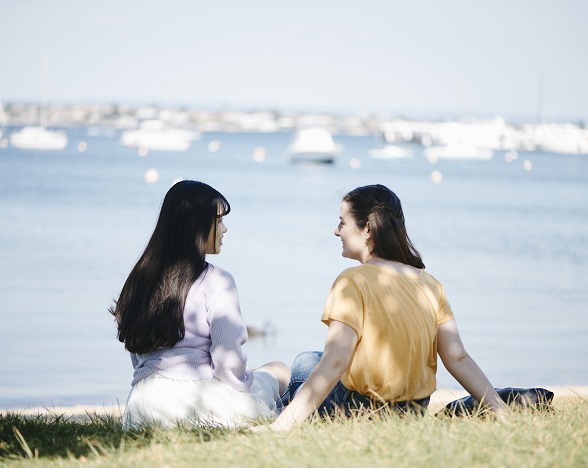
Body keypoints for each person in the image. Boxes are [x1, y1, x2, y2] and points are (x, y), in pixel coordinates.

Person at [254, 184, 507, 431]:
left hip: (359, 411)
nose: (336, 230)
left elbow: (335, 361)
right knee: (312, 362)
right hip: (412, 412)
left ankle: (283, 410)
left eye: (342, 222)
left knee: (304, 364)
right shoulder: (430, 284)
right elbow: (458, 357)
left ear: (367, 230)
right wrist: (500, 410)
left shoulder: (352, 281)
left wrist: (280, 428)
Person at [111, 180, 290, 429]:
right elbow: (229, 365)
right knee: (278, 370)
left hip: (143, 407)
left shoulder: (139, 280)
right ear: (196, 226)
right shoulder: (217, 281)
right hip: (200, 402)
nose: (224, 229)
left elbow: (138, 354)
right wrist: (240, 396)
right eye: (218, 221)